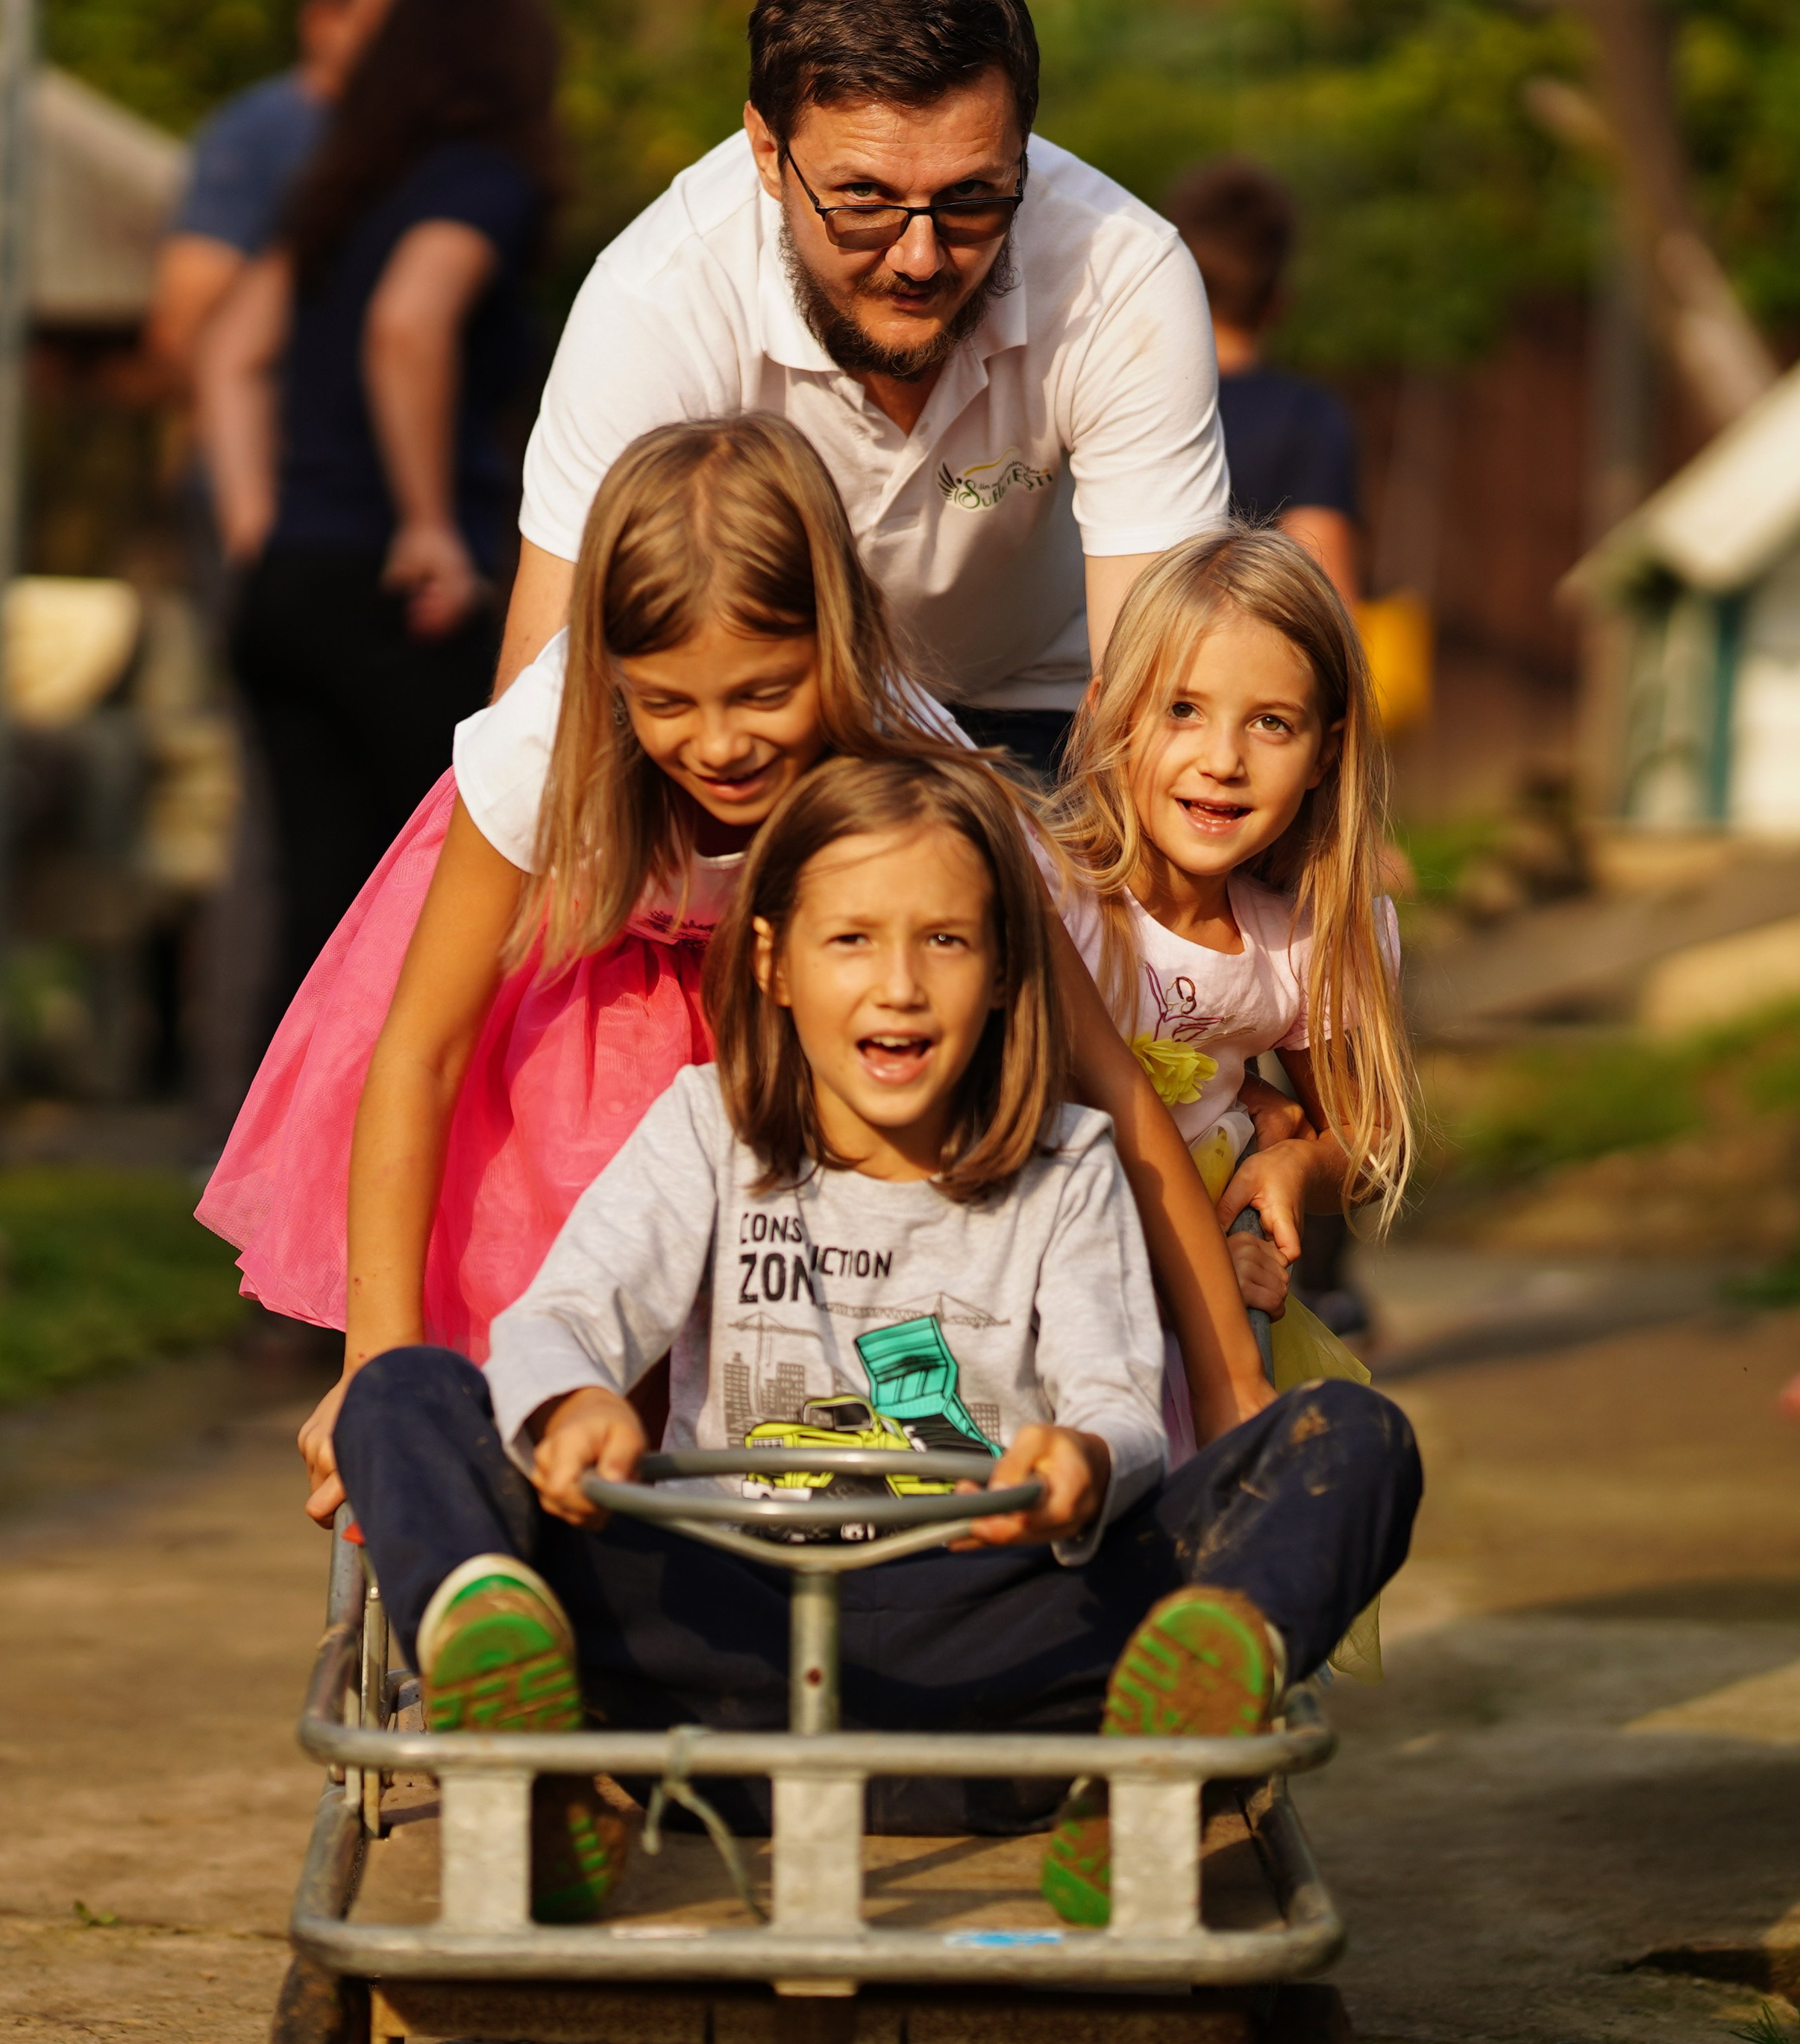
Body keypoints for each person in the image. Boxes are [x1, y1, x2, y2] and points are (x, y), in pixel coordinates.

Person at [331, 751, 1422, 1926]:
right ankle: (518, 1745)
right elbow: (560, 1320)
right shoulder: (710, 1130)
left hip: (994, 1657)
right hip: (723, 1648)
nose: (898, 985)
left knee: (1353, 1437)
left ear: (1006, 970)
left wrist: (1088, 1460)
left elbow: (1115, 1388)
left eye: (944, 942)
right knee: (402, 1390)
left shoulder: (1069, 1166)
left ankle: (1155, 1770)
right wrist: (572, 1404)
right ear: (775, 964)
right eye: (851, 939)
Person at [198, 418, 1269, 1518]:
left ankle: (763, 1548)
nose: (717, 744)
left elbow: (1104, 1071)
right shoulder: (545, 748)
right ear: (617, 676)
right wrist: (375, 1363)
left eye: (763, 694)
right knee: (585, 1239)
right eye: (669, 702)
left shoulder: (897, 753)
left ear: (834, 644)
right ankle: (541, 1541)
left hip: (798, 1004)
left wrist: (1232, 1374)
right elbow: (419, 1055)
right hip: (582, 1010)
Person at [491, 0, 1232, 782]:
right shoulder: (659, 292)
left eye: (970, 198)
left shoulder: (1122, 271)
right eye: (864, 199)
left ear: (1022, 152)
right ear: (768, 152)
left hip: (1041, 702)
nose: (919, 258)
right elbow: (544, 703)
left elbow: (1166, 686)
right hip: (777, 718)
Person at [196, 0, 562, 1026]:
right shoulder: (483, 180)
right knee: (439, 898)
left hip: (294, 581)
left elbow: (228, 357)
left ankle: (272, 1186)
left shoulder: (344, 187)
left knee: (319, 908)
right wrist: (428, 525)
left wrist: (260, 524)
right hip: (400, 587)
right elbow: (410, 317)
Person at [1047, 526, 1417, 1306]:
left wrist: (1297, 1165)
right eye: (1182, 709)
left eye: (1270, 723)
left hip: (1206, 1299)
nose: (1223, 760)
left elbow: (1364, 1136)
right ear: (1112, 713)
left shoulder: (1299, 940)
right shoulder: (1046, 897)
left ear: (1324, 753)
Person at [145, 0, 420, 383]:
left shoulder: (431, 142)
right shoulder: (261, 133)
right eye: (390, 19)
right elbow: (183, 325)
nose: (416, 41)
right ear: (322, 21)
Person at [1163, 160, 1362, 612]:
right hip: (1240, 670)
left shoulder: (1121, 395)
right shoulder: (1308, 415)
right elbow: (1327, 591)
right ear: (1278, 302)